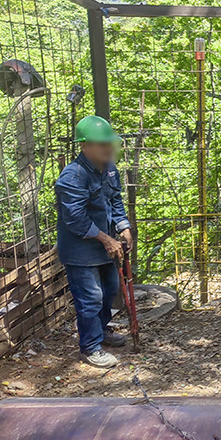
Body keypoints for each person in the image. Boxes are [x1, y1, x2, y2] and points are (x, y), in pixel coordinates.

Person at [55, 115, 133, 368]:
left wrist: (124, 227)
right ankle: (90, 347)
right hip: (81, 251)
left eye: (109, 143)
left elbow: (115, 200)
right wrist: (105, 238)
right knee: (90, 298)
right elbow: (75, 218)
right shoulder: (73, 176)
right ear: (84, 146)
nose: (108, 148)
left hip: (105, 247)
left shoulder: (109, 169)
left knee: (109, 291)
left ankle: (101, 331)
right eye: (101, 144)